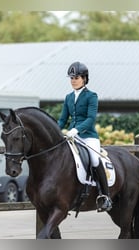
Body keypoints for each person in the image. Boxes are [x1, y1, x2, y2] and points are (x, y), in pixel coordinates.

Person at [58, 61, 112, 212]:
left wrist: (76, 130)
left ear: (84, 78)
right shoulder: (68, 97)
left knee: (95, 159)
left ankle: (105, 196)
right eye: (71, 78)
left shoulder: (91, 96)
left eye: (77, 77)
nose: (73, 80)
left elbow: (90, 119)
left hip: (88, 136)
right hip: (71, 137)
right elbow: (63, 119)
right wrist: (55, 131)